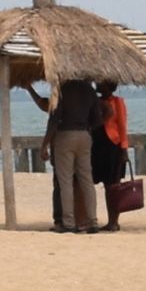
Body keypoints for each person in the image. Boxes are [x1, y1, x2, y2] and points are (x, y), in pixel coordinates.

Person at [43, 76, 102, 233]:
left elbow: (54, 120)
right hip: (84, 135)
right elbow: (98, 120)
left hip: (65, 135)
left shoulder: (61, 91)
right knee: (86, 180)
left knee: (65, 181)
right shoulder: (90, 91)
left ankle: (68, 223)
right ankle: (93, 221)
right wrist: (86, 127)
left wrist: (45, 145)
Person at [92, 81, 133, 231]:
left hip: (112, 146)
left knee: (113, 185)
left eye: (100, 83)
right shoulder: (95, 101)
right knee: (105, 183)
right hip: (97, 146)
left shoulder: (117, 102)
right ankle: (110, 221)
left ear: (108, 86)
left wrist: (124, 149)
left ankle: (113, 221)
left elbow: (122, 126)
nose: (97, 85)